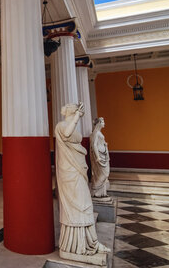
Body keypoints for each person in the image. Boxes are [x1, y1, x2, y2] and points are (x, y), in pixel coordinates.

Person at [55, 103, 109, 259]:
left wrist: (77, 118)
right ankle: (73, 244)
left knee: (85, 203)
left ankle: (89, 241)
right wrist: (77, 117)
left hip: (78, 168)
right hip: (69, 172)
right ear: (72, 111)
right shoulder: (61, 126)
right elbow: (66, 133)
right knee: (77, 204)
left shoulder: (72, 126)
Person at [90, 118, 110, 199]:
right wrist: (97, 156)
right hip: (100, 156)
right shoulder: (96, 133)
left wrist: (104, 144)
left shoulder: (99, 133)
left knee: (105, 174)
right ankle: (95, 190)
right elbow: (94, 145)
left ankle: (101, 193)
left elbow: (99, 142)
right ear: (98, 123)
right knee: (104, 173)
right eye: (102, 122)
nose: (104, 123)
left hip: (103, 154)